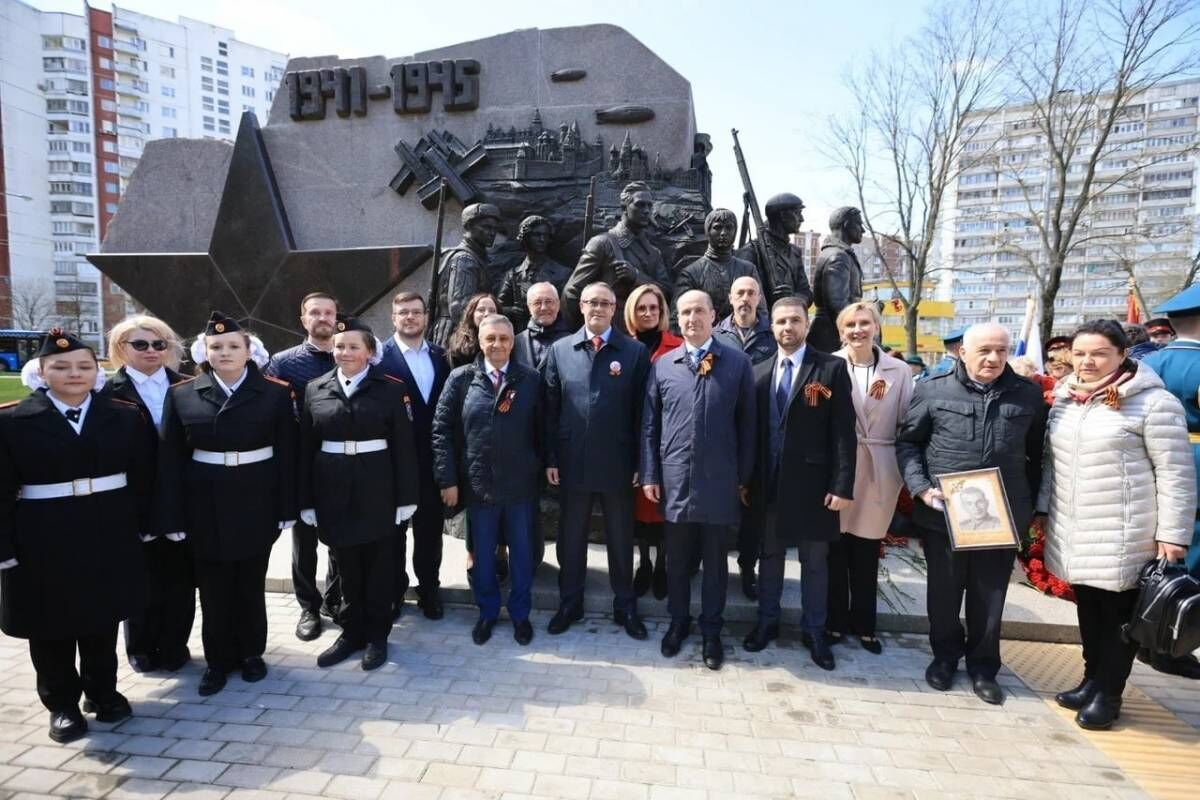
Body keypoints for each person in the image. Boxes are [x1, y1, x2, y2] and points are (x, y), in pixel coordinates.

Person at [0, 329, 152, 742]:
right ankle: (62, 705)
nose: (74, 374)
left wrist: (145, 526)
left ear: (96, 372)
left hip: (109, 527)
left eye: (84, 366)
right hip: (43, 533)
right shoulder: (12, 420)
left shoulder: (122, 415)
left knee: (102, 617)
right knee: (50, 623)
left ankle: (103, 692)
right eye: (61, 367)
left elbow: (142, 477)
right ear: (42, 372)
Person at [1041, 320, 1194, 728]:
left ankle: (1109, 694)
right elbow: (1052, 464)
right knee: (1090, 609)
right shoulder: (1067, 399)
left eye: (1099, 354)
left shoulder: (1153, 403)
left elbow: (1176, 473)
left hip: (1127, 529)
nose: (1087, 362)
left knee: (1120, 616)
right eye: (1080, 353)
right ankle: (1091, 681)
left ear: (1122, 354)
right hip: (1075, 524)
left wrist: (1173, 534)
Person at [897, 322, 1047, 705]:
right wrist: (919, 487)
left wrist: (1030, 507)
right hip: (944, 515)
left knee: (989, 596)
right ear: (962, 351)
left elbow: (1039, 457)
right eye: (984, 350)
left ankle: (983, 667)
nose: (993, 358)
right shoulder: (932, 389)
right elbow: (909, 444)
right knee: (943, 595)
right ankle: (945, 657)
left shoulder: (1027, 395)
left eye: (1001, 350)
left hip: (999, 517)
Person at [158, 312, 297, 696]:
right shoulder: (182, 394)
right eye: (216, 346)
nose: (225, 352)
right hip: (205, 501)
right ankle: (217, 661)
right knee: (213, 588)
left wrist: (288, 507)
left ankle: (252, 654)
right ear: (205, 351)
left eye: (234, 346)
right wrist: (171, 513)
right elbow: (171, 459)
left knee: (250, 584)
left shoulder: (275, 392)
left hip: (257, 497)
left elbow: (287, 453)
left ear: (249, 351)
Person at [641, 290, 756, 670]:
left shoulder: (736, 364)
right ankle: (678, 621)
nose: (692, 318)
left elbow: (748, 427)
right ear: (677, 318)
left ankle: (711, 630)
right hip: (674, 480)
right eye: (685, 312)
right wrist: (651, 474)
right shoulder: (663, 365)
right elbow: (650, 426)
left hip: (719, 481)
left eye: (699, 311)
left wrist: (744, 477)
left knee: (714, 562)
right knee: (675, 560)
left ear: (712, 315)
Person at [299, 314, 420, 671]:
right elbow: (306, 448)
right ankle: (350, 632)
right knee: (345, 566)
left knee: (380, 566)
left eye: (353, 346)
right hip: (333, 490)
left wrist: (406, 497)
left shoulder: (391, 388)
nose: (344, 352)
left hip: (378, 489)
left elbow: (404, 447)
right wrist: (306, 500)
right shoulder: (315, 389)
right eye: (339, 346)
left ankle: (378, 636)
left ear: (370, 352)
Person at [742, 298, 856, 670]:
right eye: (779, 322)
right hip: (769, 486)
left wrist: (841, 485)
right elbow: (751, 432)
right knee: (769, 557)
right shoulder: (757, 372)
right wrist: (745, 480)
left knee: (815, 563)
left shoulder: (830, 369)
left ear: (806, 325)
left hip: (815, 488)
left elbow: (843, 432)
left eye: (794, 320)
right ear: (770, 327)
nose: (786, 327)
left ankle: (815, 632)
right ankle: (767, 622)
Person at [544, 282, 651, 639]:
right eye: (591, 302)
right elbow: (550, 409)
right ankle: (569, 603)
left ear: (614, 308)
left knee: (621, 539)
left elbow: (643, 414)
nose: (598, 309)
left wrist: (642, 461)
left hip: (618, 463)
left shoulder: (634, 353)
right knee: (571, 538)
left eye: (605, 303)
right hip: (572, 462)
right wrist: (552, 457)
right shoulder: (560, 350)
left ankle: (625, 605)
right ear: (581, 306)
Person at [433, 314, 543, 645]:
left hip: (520, 487)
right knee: (482, 558)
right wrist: (447, 479)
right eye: (490, 338)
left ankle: (521, 615)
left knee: (522, 557)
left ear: (513, 342)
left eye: (504, 339)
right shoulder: (461, 379)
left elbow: (544, 429)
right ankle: (487, 613)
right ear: (480, 342)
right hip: (478, 486)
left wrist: (543, 466)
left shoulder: (530, 379)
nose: (497, 345)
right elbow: (440, 430)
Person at [100, 315, 194, 675]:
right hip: (133, 499)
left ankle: (174, 645)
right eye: (140, 344)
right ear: (121, 349)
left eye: (160, 344)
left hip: (181, 496)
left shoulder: (187, 386)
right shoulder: (107, 393)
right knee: (140, 577)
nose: (152, 351)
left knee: (181, 578)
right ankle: (140, 646)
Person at [827, 301, 913, 655]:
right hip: (841, 466)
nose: (858, 330)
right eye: (851, 324)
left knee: (866, 549)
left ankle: (865, 624)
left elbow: (907, 420)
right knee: (836, 548)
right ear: (841, 330)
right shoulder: (830, 364)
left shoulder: (899, 370)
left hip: (880, 464)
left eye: (865, 323)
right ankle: (834, 621)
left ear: (876, 327)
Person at [266, 292, 341, 642]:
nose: (322, 318)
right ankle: (308, 607)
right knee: (305, 543)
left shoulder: (351, 355)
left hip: (342, 464)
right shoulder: (282, 363)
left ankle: (334, 599)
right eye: (315, 312)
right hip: (301, 466)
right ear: (303, 320)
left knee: (341, 537)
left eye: (328, 312)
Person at [378, 291, 451, 621]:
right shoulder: (379, 358)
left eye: (416, 312)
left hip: (431, 465)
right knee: (393, 535)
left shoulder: (440, 355)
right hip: (392, 466)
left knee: (429, 534)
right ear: (393, 318)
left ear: (426, 318)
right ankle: (393, 593)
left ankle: (429, 591)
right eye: (403, 312)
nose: (410, 318)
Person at [1142, 283, 1200, 680]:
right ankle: (1172, 638)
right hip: (1194, 461)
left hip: (1148, 463)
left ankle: (1149, 630)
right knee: (1190, 552)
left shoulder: (1148, 363)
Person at [714, 275, 777, 599]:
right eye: (740, 292)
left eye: (752, 292)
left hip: (762, 432)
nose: (745, 298)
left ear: (759, 298)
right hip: (723, 434)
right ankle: (714, 565)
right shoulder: (716, 336)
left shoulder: (773, 335)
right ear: (730, 296)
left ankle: (747, 565)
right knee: (720, 507)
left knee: (754, 508)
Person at [625, 283, 682, 600]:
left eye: (653, 308)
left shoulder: (676, 346)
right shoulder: (623, 346)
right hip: (630, 440)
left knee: (661, 511)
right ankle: (643, 563)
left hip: (666, 442)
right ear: (632, 311)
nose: (648, 313)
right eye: (641, 308)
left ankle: (662, 565)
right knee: (638, 513)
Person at [563, 181, 672, 330]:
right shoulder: (602, 243)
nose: (646, 211)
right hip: (610, 332)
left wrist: (636, 277)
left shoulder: (654, 253)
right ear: (624, 207)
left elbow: (666, 293)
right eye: (640, 205)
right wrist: (579, 333)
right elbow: (572, 293)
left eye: (649, 206)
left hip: (645, 334)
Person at [430, 203, 502, 348]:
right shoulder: (465, 260)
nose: (492, 233)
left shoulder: (477, 257)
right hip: (458, 337)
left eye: (494, 229)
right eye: (486, 227)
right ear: (469, 226)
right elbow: (459, 307)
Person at [674, 208, 763, 324]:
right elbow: (677, 319)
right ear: (707, 231)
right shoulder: (691, 273)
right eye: (717, 227)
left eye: (729, 228)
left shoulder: (748, 270)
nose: (723, 233)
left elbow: (761, 312)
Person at [735, 192, 814, 309]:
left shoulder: (794, 252)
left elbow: (806, 293)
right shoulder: (751, 251)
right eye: (797, 213)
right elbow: (741, 295)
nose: (801, 219)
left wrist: (792, 299)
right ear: (783, 216)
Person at [499, 215, 572, 330]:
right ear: (525, 237)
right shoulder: (513, 274)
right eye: (537, 235)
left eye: (545, 236)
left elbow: (568, 312)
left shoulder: (562, 273)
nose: (542, 239)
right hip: (522, 336)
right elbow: (499, 306)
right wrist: (511, 311)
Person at [809, 206, 865, 353]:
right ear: (846, 225)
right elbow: (838, 305)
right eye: (859, 224)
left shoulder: (837, 253)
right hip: (831, 338)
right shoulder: (838, 256)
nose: (863, 230)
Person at [513, 282, 571, 370]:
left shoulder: (572, 343)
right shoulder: (515, 342)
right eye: (537, 303)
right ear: (529, 307)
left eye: (549, 302)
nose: (544, 307)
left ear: (558, 305)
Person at [447, 293, 501, 369]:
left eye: (492, 311)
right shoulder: (459, 345)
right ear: (472, 314)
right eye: (481, 310)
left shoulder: (505, 343)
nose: (487, 314)